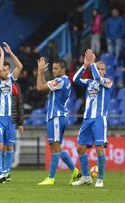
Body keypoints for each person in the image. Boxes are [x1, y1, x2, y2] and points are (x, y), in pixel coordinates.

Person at [36, 57, 81, 186]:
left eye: (56, 68)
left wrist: (40, 72)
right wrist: (42, 74)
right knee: (56, 147)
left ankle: (51, 178)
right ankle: (75, 171)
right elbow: (44, 86)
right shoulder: (62, 81)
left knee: (55, 148)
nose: (53, 70)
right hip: (58, 116)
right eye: (53, 68)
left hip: (56, 116)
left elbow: (39, 87)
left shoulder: (61, 81)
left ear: (63, 69)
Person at [72, 50, 113, 188]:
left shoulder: (107, 82)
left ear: (105, 71)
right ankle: (86, 177)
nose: (100, 71)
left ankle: (100, 179)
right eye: (99, 68)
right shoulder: (89, 82)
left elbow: (97, 76)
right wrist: (85, 65)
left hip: (99, 119)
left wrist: (93, 64)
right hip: (87, 119)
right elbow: (75, 79)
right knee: (80, 148)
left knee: (99, 148)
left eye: (103, 69)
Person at [0, 42, 23, 183]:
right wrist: (2, 54)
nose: (6, 72)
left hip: (9, 119)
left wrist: (10, 53)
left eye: (6, 70)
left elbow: (20, 66)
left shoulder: (10, 80)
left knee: (9, 147)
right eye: (3, 70)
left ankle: (6, 172)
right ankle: (0, 172)